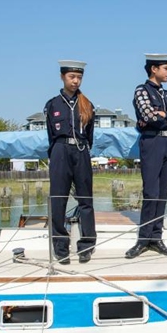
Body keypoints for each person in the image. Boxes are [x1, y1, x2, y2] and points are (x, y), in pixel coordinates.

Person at [126, 54, 167, 259]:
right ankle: (143, 239)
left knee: (162, 193)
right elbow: (147, 116)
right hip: (151, 142)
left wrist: (164, 116)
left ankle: (156, 237)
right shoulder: (141, 90)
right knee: (151, 192)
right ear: (154, 69)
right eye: (165, 68)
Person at [44, 60, 96, 265]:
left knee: (85, 200)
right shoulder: (52, 104)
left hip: (81, 150)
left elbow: (90, 134)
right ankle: (60, 246)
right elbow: (50, 134)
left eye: (79, 77)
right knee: (58, 200)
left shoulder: (87, 104)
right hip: (60, 151)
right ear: (62, 77)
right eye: (71, 77)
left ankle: (86, 246)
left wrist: (82, 149)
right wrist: (57, 152)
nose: (75, 81)